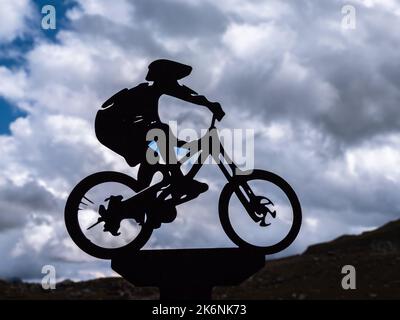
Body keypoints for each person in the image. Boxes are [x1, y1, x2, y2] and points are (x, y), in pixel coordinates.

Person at [95, 59, 225, 197]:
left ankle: (142, 197)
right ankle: (179, 181)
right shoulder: (145, 95)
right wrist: (194, 143)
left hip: (117, 127)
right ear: (163, 79)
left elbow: (184, 93)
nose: (175, 85)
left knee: (152, 154)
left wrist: (209, 105)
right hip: (110, 128)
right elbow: (162, 131)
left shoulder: (151, 94)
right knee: (160, 132)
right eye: (172, 80)